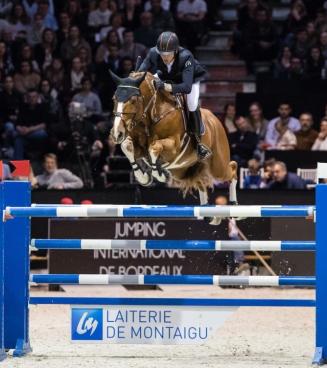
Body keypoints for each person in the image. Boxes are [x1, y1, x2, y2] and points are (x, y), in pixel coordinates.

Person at [138, 31, 210, 160]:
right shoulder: (153, 52)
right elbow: (141, 72)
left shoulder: (186, 57)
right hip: (167, 75)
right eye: (162, 54)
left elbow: (186, 87)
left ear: (175, 51)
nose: (164, 57)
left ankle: (198, 142)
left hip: (189, 80)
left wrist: (167, 87)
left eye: (168, 54)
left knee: (192, 104)